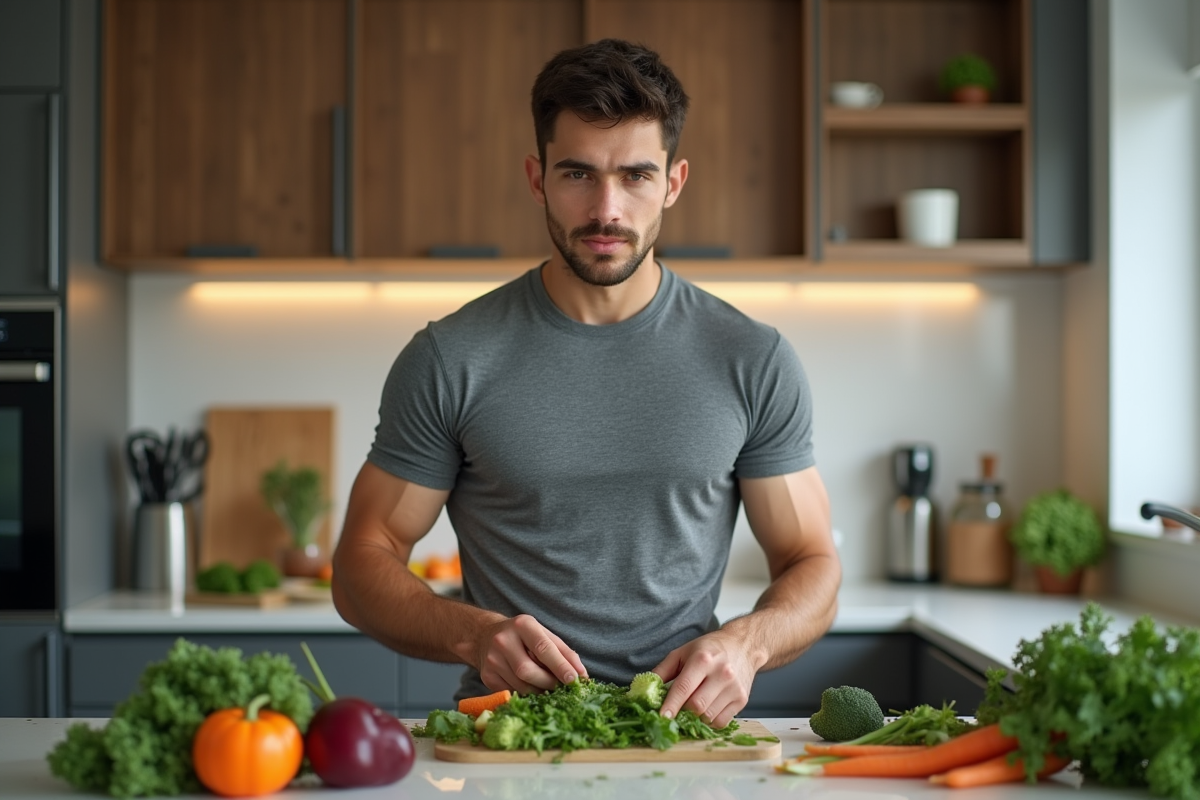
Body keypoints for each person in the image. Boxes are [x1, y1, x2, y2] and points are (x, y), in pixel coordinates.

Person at [331, 38, 840, 730]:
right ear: (538, 178)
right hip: (509, 743)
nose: (607, 209)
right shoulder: (450, 358)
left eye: (635, 176)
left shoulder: (752, 359)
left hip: (682, 741)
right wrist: (475, 635)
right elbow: (363, 562)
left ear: (674, 182)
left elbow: (812, 561)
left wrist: (745, 644)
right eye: (578, 175)